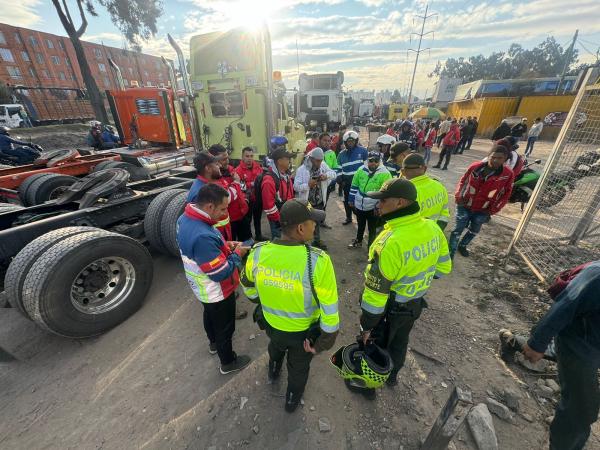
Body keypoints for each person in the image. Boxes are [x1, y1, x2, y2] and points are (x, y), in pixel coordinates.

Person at [241, 199, 340, 412]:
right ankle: (292, 400)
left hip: (271, 326)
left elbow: (247, 283)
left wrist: (260, 300)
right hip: (302, 336)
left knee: (275, 348)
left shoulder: (257, 253)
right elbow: (330, 309)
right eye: (313, 222)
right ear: (301, 228)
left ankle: (274, 369)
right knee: (298, 368)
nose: (316, 226)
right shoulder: (318, 262)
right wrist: (322, 343)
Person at [358, 178, 452, 387]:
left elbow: (375, 295)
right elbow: (444, 269)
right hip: (414, 305)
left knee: (376, 346)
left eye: (383, 200)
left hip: (389, 310)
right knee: (400, 342)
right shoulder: (432, 228)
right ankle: (392, 377)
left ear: (400, 203)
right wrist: (418, 279)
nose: (379, 204)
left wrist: (367, 326)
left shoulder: (390, 242)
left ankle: (368, 385)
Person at [521, 261, 600, 450]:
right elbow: (564, 306)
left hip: (592, 343)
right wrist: (537, 343)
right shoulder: (597, 276)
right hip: (579, 346)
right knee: (580, 410)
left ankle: (513, 341)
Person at [176, 183, 252, 374]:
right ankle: (228, 362)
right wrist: (238, 254)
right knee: (225, 327)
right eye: (223, 208)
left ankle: (213, 344)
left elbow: (204, 250)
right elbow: (220, 272)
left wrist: (225, 245)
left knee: (209, 315)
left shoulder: (186, 219)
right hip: (216, 289)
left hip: (201, 288)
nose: (225, 214)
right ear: (209, 206)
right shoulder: (202, 234)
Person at [450, 144, 514, 258]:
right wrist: (458, 195)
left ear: (504, 159)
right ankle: (450, 254)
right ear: (488, 156)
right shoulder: (475, 167)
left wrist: (494, 209)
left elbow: (506, 194)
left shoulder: (508, 174)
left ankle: (463, 245)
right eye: (493, 157)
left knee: (474, 230)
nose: (495, 160)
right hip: (464, 204)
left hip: (483, 210)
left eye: (499, 158)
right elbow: (463, 180)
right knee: (457, 229)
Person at [294, 147, 336, 249]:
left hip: (319, 200)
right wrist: (308, 185)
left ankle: (316, 241)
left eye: (321, 160)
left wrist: (326, 176)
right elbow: (295, 186)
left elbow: (334, 174)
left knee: (316, 222)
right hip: (307, 202)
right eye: (317, 160)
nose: (319, 163)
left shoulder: (322, 165)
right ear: (311, 158)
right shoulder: (302, 170)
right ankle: (304, 243)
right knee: (305, 223)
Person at [348, 151, 392, 249]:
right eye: (371, 160)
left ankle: (370, 249)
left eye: (376, 161)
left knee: (372, 229)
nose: (373, 163)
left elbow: (385, 193)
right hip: (359, 205)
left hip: (374, 208)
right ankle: (358, 241)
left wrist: (379, 206)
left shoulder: (385, 174)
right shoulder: (361, 170)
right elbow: (354, 185)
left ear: (379, 161)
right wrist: (351, 199)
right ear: (367, 161)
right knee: (360, 225)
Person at [208, 145, 249, 242]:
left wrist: (245, 199)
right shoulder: (215, 177)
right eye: (223, 159)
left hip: (242, 214)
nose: (227, 161)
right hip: (230, 220)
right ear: (215, 161)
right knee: (233, 246)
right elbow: (227, 197)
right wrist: (236, 183)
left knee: (247, 243)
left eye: (227, 158)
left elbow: (241, 186)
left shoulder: (230, 169)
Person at [401, 153, 450, 230]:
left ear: (403, 172)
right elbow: (445, 213)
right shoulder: (439, 186)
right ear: (425, 169)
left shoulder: (406, 193)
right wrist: (436, 231)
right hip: (434, 232)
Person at [261, 147, 295, 239]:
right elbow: (268, 207)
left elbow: (290, 194)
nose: (290, 161)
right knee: (279, 242)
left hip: (286, 216)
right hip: (278, 221)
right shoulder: (269, 180)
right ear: (279, 161)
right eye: (287, 159)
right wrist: (279, 220)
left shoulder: (285, 174)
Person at [337, 130, 368, 225]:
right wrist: (339, 179)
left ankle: (361, 219)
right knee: (347, 201)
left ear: (356, 141)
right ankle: (348, 217)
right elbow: (338, 168)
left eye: (352, 141)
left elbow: (367, 166)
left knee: (360, 201)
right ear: (345, 143)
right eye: (348, 141)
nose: (351, 143)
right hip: (347, 182)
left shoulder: (363, 151)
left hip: (360, 182)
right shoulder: (341, 154)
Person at [235, 147, 265, 240]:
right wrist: (252, 183)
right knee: (247, 221)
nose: (249, 158)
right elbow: (240, 187)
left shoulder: (258, 167)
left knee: (257, 218)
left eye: (251, 156)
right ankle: (249, 238)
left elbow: (262, 180)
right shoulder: (238, 170)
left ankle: (258, 235)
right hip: (247, 201)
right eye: (247, 156)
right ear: (242, 157)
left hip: (257, 199)